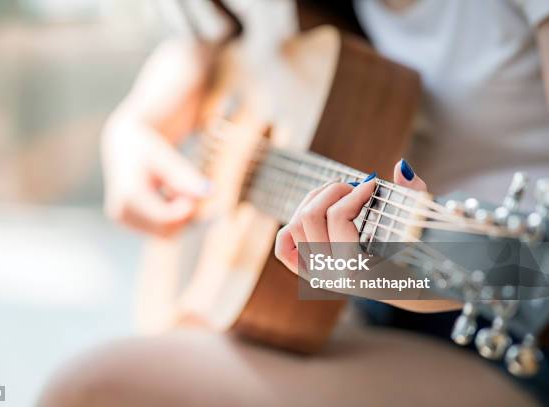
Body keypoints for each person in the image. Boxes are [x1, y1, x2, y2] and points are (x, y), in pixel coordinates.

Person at [39, 1, 549, 405]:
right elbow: (208, 35)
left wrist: (390, 276)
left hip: (513, 341)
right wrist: (134, 126)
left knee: (94, 391)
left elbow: (531, 268)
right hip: (357, 312)